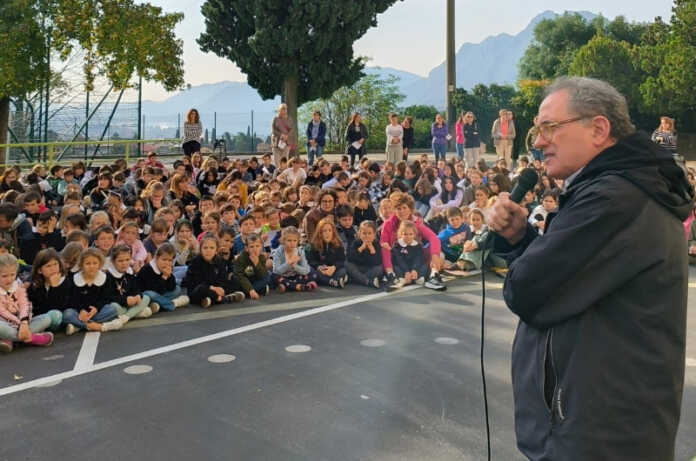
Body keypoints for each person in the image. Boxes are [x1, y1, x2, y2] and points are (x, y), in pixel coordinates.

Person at [488, 76, 692, 460]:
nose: (537, 141)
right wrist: (520, 238)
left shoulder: (612, 198)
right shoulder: (618, 189)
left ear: (599, 129)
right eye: (535, 129)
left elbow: (528, 290)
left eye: (549, 127)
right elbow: (571, 280)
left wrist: (522, 256)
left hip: (596, 438)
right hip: (601, 429)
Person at [0, 253, 57, 353]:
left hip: (22, 324)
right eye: (4, 276)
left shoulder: (18, 285)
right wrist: (20, 325)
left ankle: (11, 340)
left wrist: (24, 323)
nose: (9, 279)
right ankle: (32, 338)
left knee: (47, 318)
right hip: (5, 324)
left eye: (12, 275)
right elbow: (3, 312)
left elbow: (25, 305)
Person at [63, 249, 123, 334]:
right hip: (79, 313)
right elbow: (72, 299)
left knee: (113, 309)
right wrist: (81, 310)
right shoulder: (73, 279)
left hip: (97, 312)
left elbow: (106, 298)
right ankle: (100, 326)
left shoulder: (105, 277)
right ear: (82, 265)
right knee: (67, 314)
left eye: (95, 263)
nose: (92, 266)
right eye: (88, 263)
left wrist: (96, 308)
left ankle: (78, 326)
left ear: (99, 264)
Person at [308, 217, 347, 288]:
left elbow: (342, 260)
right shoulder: (314, 244)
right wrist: (318, 267)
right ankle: (332, 282)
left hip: (332, 270)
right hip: (320, 271)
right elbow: (310, 260)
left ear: (333, 232)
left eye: (329, 230)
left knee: (343, 271)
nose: (327, 233)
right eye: (324, 231)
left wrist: (334, 267)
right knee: (310, 270)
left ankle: (328, 280)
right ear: (320, 233)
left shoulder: (338, 244)